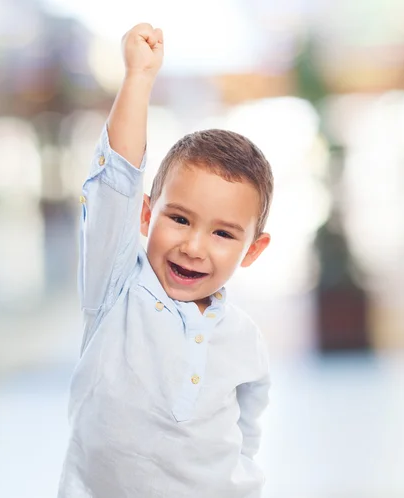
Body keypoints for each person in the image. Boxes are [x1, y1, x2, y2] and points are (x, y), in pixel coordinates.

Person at [58, 23, 273, 498]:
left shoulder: (245, 341)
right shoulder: (115, 289)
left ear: (252, 250)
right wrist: (139, 78)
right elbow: (115, 181)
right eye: (179, 219)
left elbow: (245, 440)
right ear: (145, 214)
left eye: (222, 233)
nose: (194, 246)